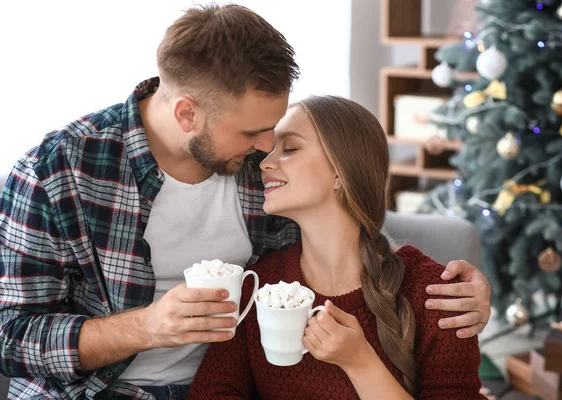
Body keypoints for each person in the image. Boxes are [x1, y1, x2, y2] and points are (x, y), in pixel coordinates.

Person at [0, 4, 490, 399]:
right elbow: (10, 337)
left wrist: (453, 290)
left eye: (276, 135)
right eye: (254, 133)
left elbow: (342, 227)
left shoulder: (260, 171)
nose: (265, 151)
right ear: (188, 113)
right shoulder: (57, 170)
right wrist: (146, 328)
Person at [188, 95, 488, 399]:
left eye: (290, 148)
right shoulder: (258, 286)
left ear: (340, 172)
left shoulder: (438, 295)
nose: (265, 163)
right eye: (270, 150)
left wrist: (360, 363)